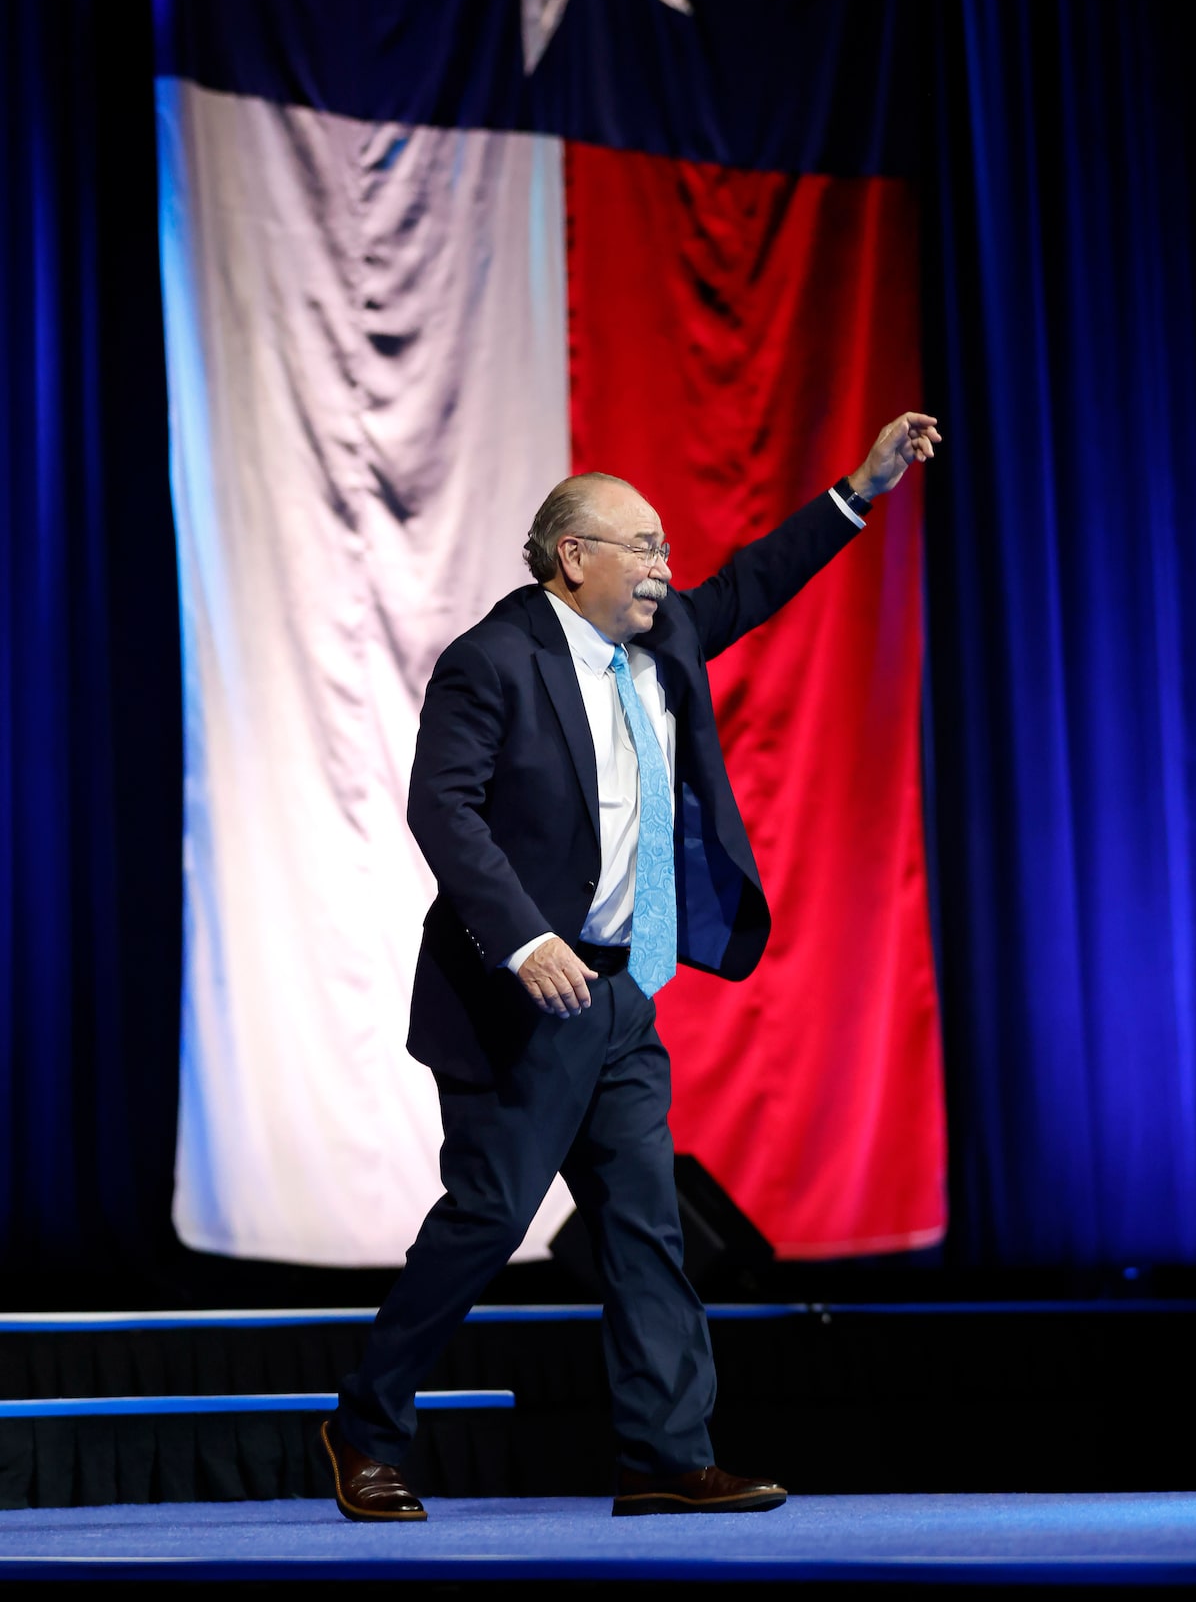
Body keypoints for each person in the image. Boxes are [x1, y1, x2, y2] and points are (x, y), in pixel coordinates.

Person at [322, 412, 941, 1521]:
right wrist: (522, 938)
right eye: (643, 546)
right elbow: (441, 809)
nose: (665, 566)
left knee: (644, 1227)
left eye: (663, 550)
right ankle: (363, 1429)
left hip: (616, 997)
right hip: (514, 997)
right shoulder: (493, 661)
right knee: (486, 1221)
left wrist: (859, 485)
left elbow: (756, 581)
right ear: (575, 558)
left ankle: (663, 1455)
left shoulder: (663, 643)